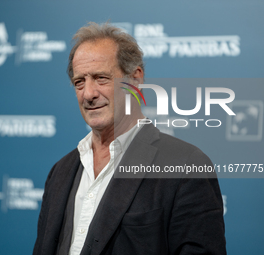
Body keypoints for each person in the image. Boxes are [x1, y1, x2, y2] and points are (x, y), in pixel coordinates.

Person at [33, 22, 226, 255]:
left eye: (101, 78)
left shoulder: (186, 166)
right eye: (79, 82)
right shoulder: (60, 172)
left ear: (135, 79)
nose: (89, 94)